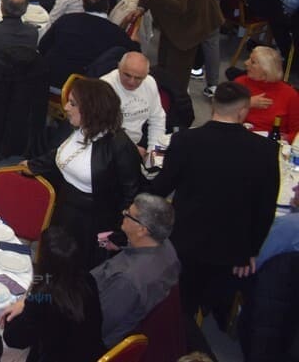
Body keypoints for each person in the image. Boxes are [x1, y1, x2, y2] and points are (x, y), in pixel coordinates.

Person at [149, 81, 281, 321]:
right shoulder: (265, 150)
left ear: (213, 106)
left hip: (185, 242)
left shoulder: (185, 141)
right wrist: (251, 251)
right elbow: (265, 208)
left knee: (182, 304)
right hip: (231, 249)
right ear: (243, 111)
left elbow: (161, 188)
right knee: (217, 298)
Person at [23, 77, 142, 266]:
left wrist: (116, 235)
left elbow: (131, 195)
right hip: (63, 212)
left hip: (93, 226)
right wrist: (31, 165)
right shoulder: (75, 129)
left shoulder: (120, 146)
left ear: (91, 109)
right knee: (52, 263)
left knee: (78, 272)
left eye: (73, 104)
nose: (65, 108)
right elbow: (61, 155)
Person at [0, 226, 105, 362]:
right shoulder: (87, 280)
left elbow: (13, 339)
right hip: (91, 354)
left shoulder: (44, 297)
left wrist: (17, 309)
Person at [89, 194, 180, 349]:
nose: (123, 213)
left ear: (142, 230)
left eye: (128, 214)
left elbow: (97, 322)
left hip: (96, 335)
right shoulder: (167, 247)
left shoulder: (127, 280)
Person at [99, 50, 166, 153]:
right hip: (108, 146)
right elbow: (101, 130)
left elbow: (157, 120)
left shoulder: (150, 82)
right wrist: (131, 150)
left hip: (136, 143)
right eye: (127, 75)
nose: (131, 82)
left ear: (146, 75)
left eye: (138, 78)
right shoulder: (105, 86)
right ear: (119, 68)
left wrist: (154, 152)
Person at [233, 44, 299, 141]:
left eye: (253, 62)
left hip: (272, 142)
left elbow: (296, 132)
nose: (246, 63)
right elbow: (222, 115)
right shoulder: (240, 83)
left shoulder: (290, 95)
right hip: (241, 138)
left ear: (266, 70)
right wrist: (247, 103)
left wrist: (283, 138)